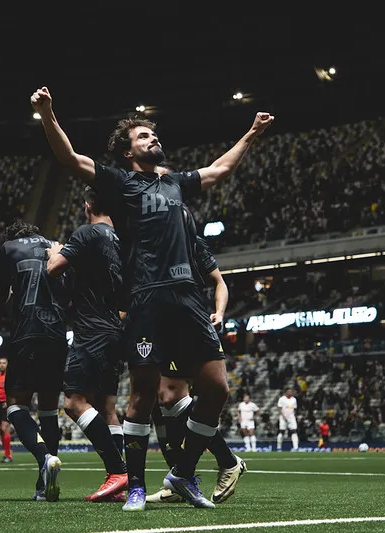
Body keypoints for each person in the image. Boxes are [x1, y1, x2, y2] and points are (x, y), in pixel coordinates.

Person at [32, 85, 273, 511]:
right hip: (146, 298)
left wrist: (251, 133)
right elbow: (70, 159)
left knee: (217, 389)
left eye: (153, 134)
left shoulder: (176, 182)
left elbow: (219, 169)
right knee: (143, 395)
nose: (153, 138)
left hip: (188, 298)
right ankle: (137, 486)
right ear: (128, 151)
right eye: (143, 136)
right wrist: (49, 114)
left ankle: (182, 473)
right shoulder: (120, 182)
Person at [147, 203, 245, 505]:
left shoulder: (192, 244)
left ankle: (221, 463)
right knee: (162, 400)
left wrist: (219, 312)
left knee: (205, 392)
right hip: (163, 327)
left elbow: (219, 282)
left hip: (192, 324)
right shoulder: (149, 243)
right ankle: (183, 477)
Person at [45, 186, 129, 503]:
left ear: (88, 206)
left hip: (91, 330)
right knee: (107, 407)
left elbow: (53, 269)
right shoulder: (121, 240)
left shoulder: (86, 233)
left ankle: (117, 470)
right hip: (115, 329)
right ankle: (120, 483)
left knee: (73, 401)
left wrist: (55, 253)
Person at [0, 219, 67, 501]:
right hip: (57, 333)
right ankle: (43, 485)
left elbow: (0, 295)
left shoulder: (9, 248)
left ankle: (44, 456)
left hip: (27, 332)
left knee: (15, 404)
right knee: (49, 409)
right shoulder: (57, 247)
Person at [0, 357, 13, 463]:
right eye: (0, 363)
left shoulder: (10, 376)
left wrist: (9, 402)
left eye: (4, 363)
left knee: (5, 427)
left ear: (7, 364)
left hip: (6, 404)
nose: (1, 365)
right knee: (0, 429)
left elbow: (12, 390)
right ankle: (6, 454)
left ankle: (8, 455)